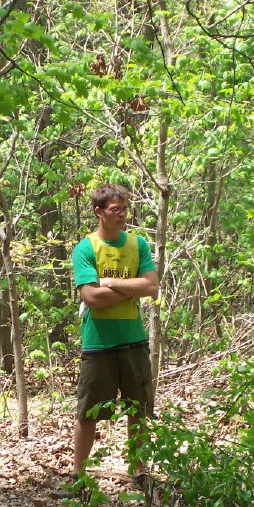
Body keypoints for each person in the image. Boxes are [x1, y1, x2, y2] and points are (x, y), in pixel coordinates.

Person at [69, 183, 159, 486]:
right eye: (115, 209)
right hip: (98, 343)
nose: (122, 214)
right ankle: (78, 476)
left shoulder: (138, 245)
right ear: (99, 212)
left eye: (124, 208)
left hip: (133, 340)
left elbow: (151, 286)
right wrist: (131, 288)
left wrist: (109, 282)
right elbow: (91, 298)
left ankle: (139, 472)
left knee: (138, 410)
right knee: (88, 413)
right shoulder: (86, 248)